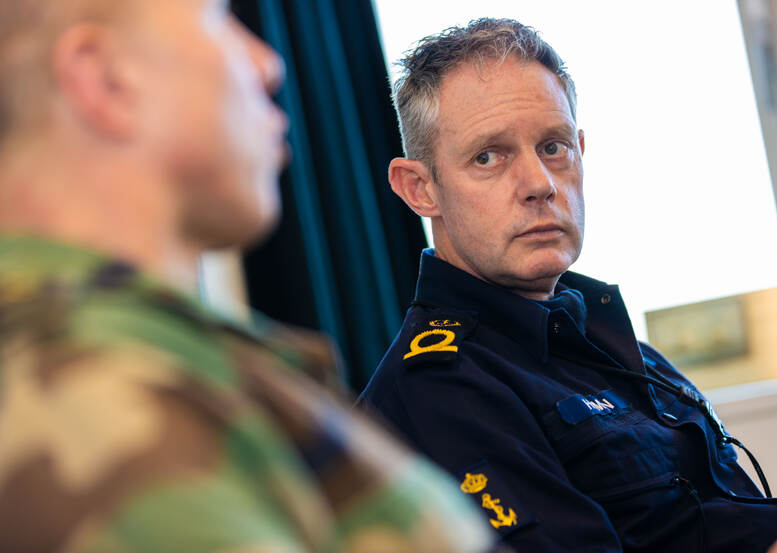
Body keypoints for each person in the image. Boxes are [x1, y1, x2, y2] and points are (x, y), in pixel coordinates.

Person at [0, 2, 504, 551]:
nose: (269, 64)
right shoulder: (88, 388)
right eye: (218, 17)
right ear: (107, 78)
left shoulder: (149, 357)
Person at [358, 17, 777, 553]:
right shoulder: (438, 391)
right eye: (488, 156)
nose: (539, 183)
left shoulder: (623, 351)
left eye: (553, 147)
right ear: (420, 189)